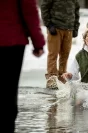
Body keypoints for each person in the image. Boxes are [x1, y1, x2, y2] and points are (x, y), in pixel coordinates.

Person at [0, 0, 45, 132]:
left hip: (10, 38)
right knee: (7, 94)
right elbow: (29, 10)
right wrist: (38, 42)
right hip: (10, 41)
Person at [41, 0, 80, 89]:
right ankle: (52, 79)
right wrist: (49, 24)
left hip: (69, 29)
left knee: (65, 54)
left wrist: (75, 27)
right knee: (53, 54)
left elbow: (76, 11)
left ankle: (62, 78)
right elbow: (44, 7)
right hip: (55, 28)